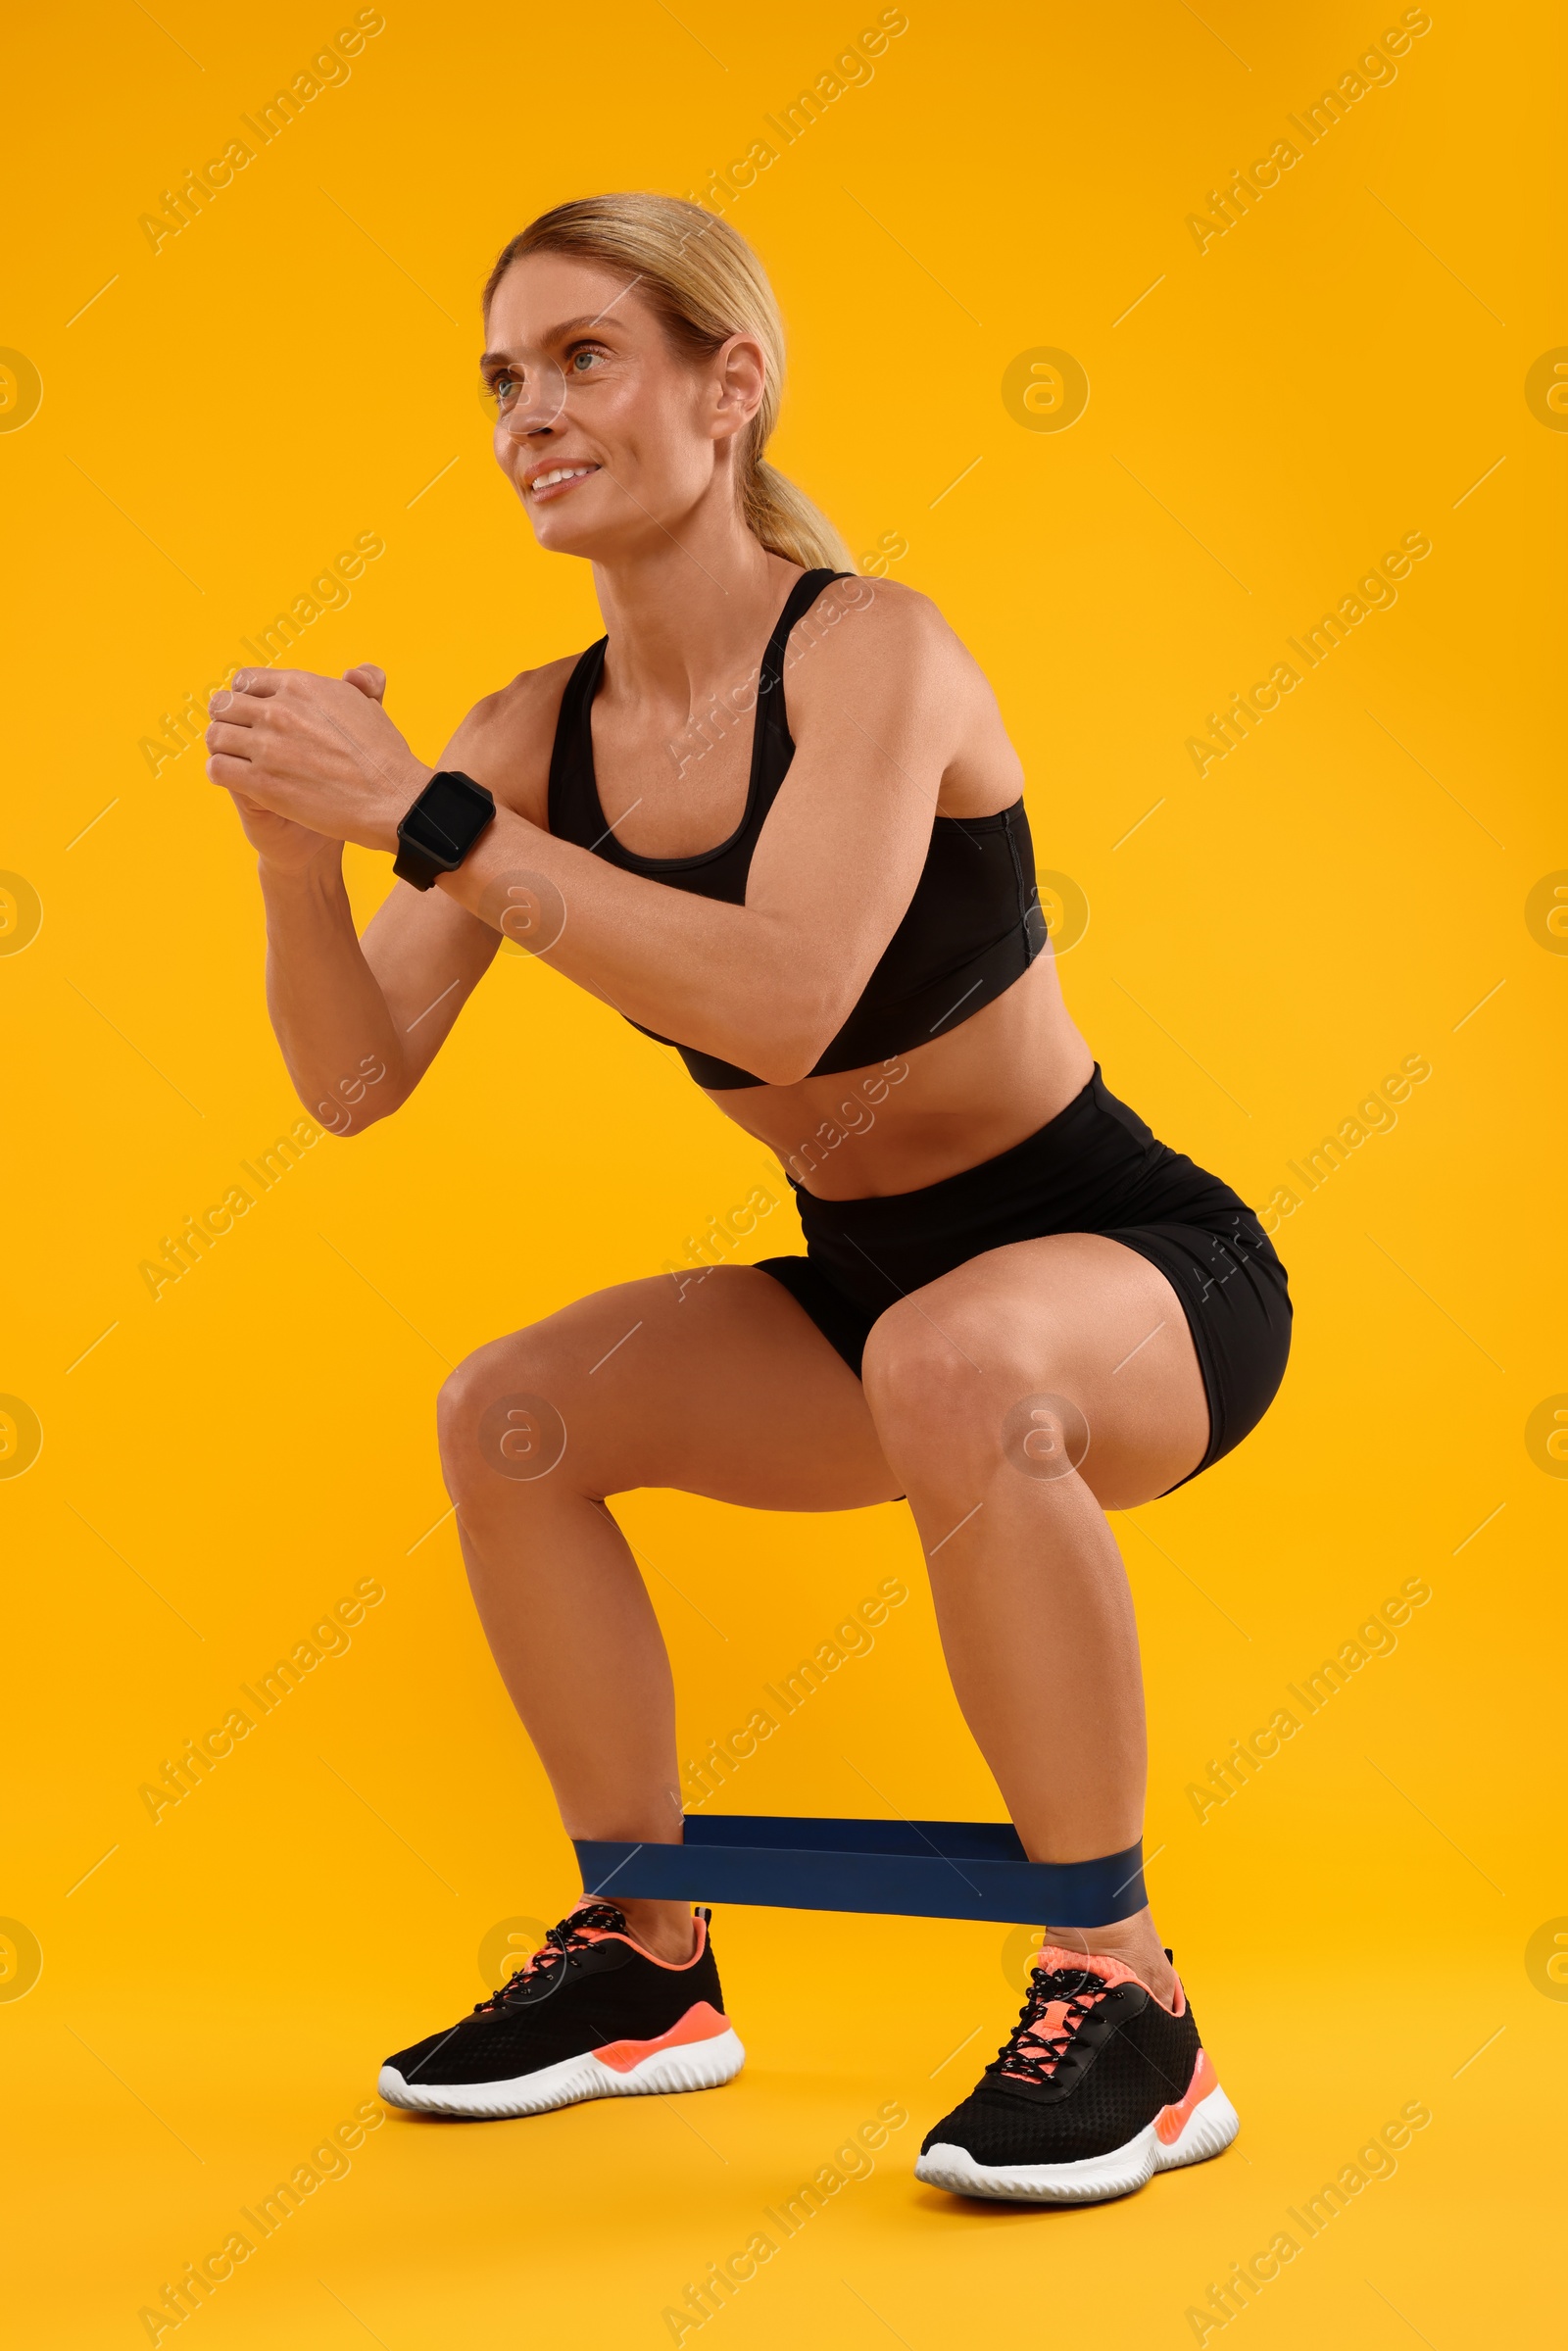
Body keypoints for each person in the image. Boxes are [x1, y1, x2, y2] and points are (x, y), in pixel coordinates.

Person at [205, 192, 1290, 2204]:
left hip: (1130, 1268)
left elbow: (787, 999)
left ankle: (1122, 1998)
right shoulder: (527, 735)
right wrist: (298, 859)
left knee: (962, 1357)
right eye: (503, 378)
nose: (530, 410)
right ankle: (641, 1952)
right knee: (507, 1413)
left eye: (583, 358)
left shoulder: (874, 650)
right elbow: (356, 1081)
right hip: (869, 1302)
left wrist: (418, 822)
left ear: (731, 386)